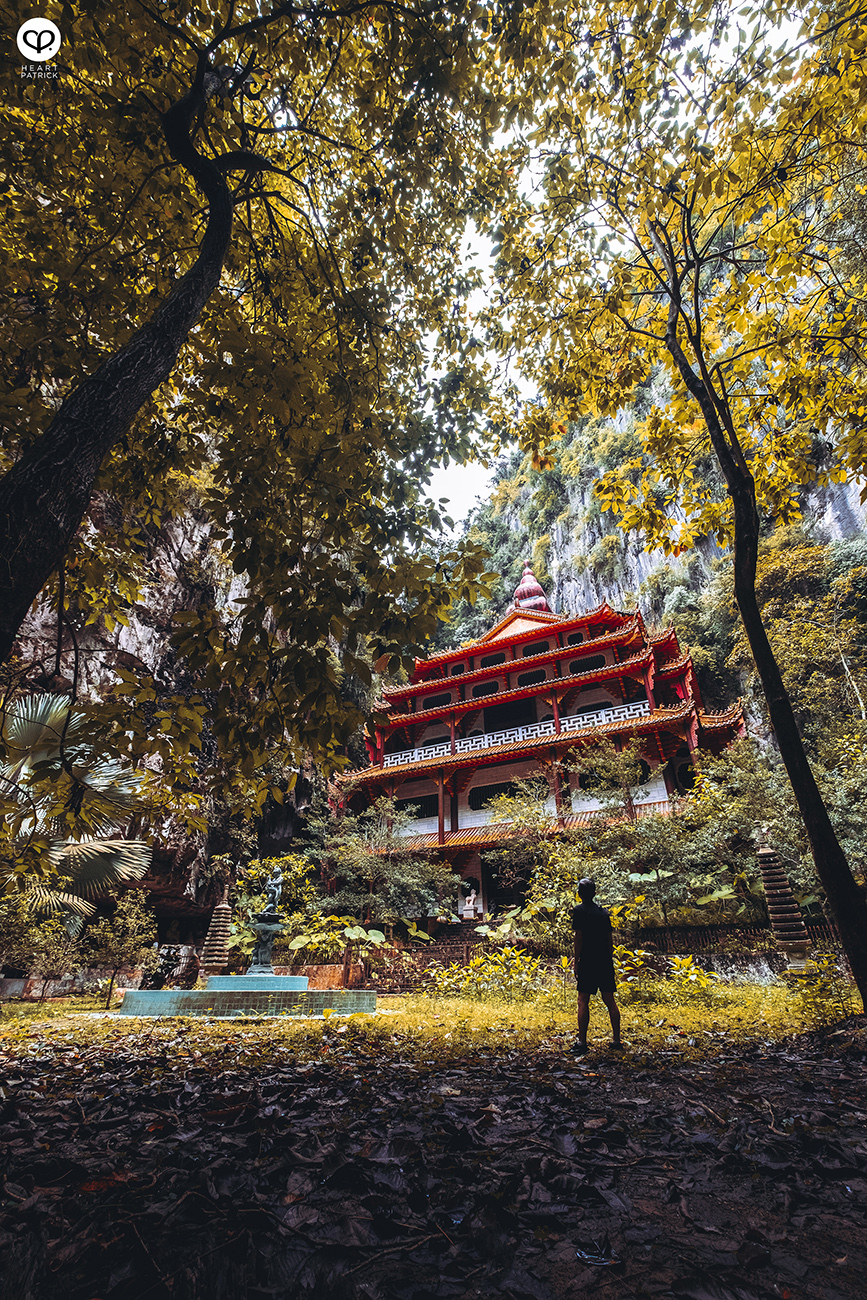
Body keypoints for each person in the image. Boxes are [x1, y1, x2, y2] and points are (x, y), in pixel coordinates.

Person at [571, 878, 622, 1054]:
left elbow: (579, 937)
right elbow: (609, 939)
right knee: (610, 1000)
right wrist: (609, 958)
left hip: (588, 960)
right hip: (604, 961)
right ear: (594, 893)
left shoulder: (578, 911)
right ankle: (616, 1040)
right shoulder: (603, 913)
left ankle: (582, 1042)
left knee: (583, 999)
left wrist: (576, 960)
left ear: (579, 894)